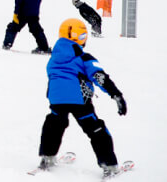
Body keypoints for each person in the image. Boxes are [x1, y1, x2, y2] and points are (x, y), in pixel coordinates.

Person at [36, 19, 127, 177]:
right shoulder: (84, 57)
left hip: (56, 99)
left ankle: (47, 156)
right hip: (80, 99)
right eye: (83, 35)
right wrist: (116, 94)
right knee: (95, 128)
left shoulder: (54, 57)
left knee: (54, 123)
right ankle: (109, 164)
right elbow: (99, 77)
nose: (84, 39)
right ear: (76, 36)